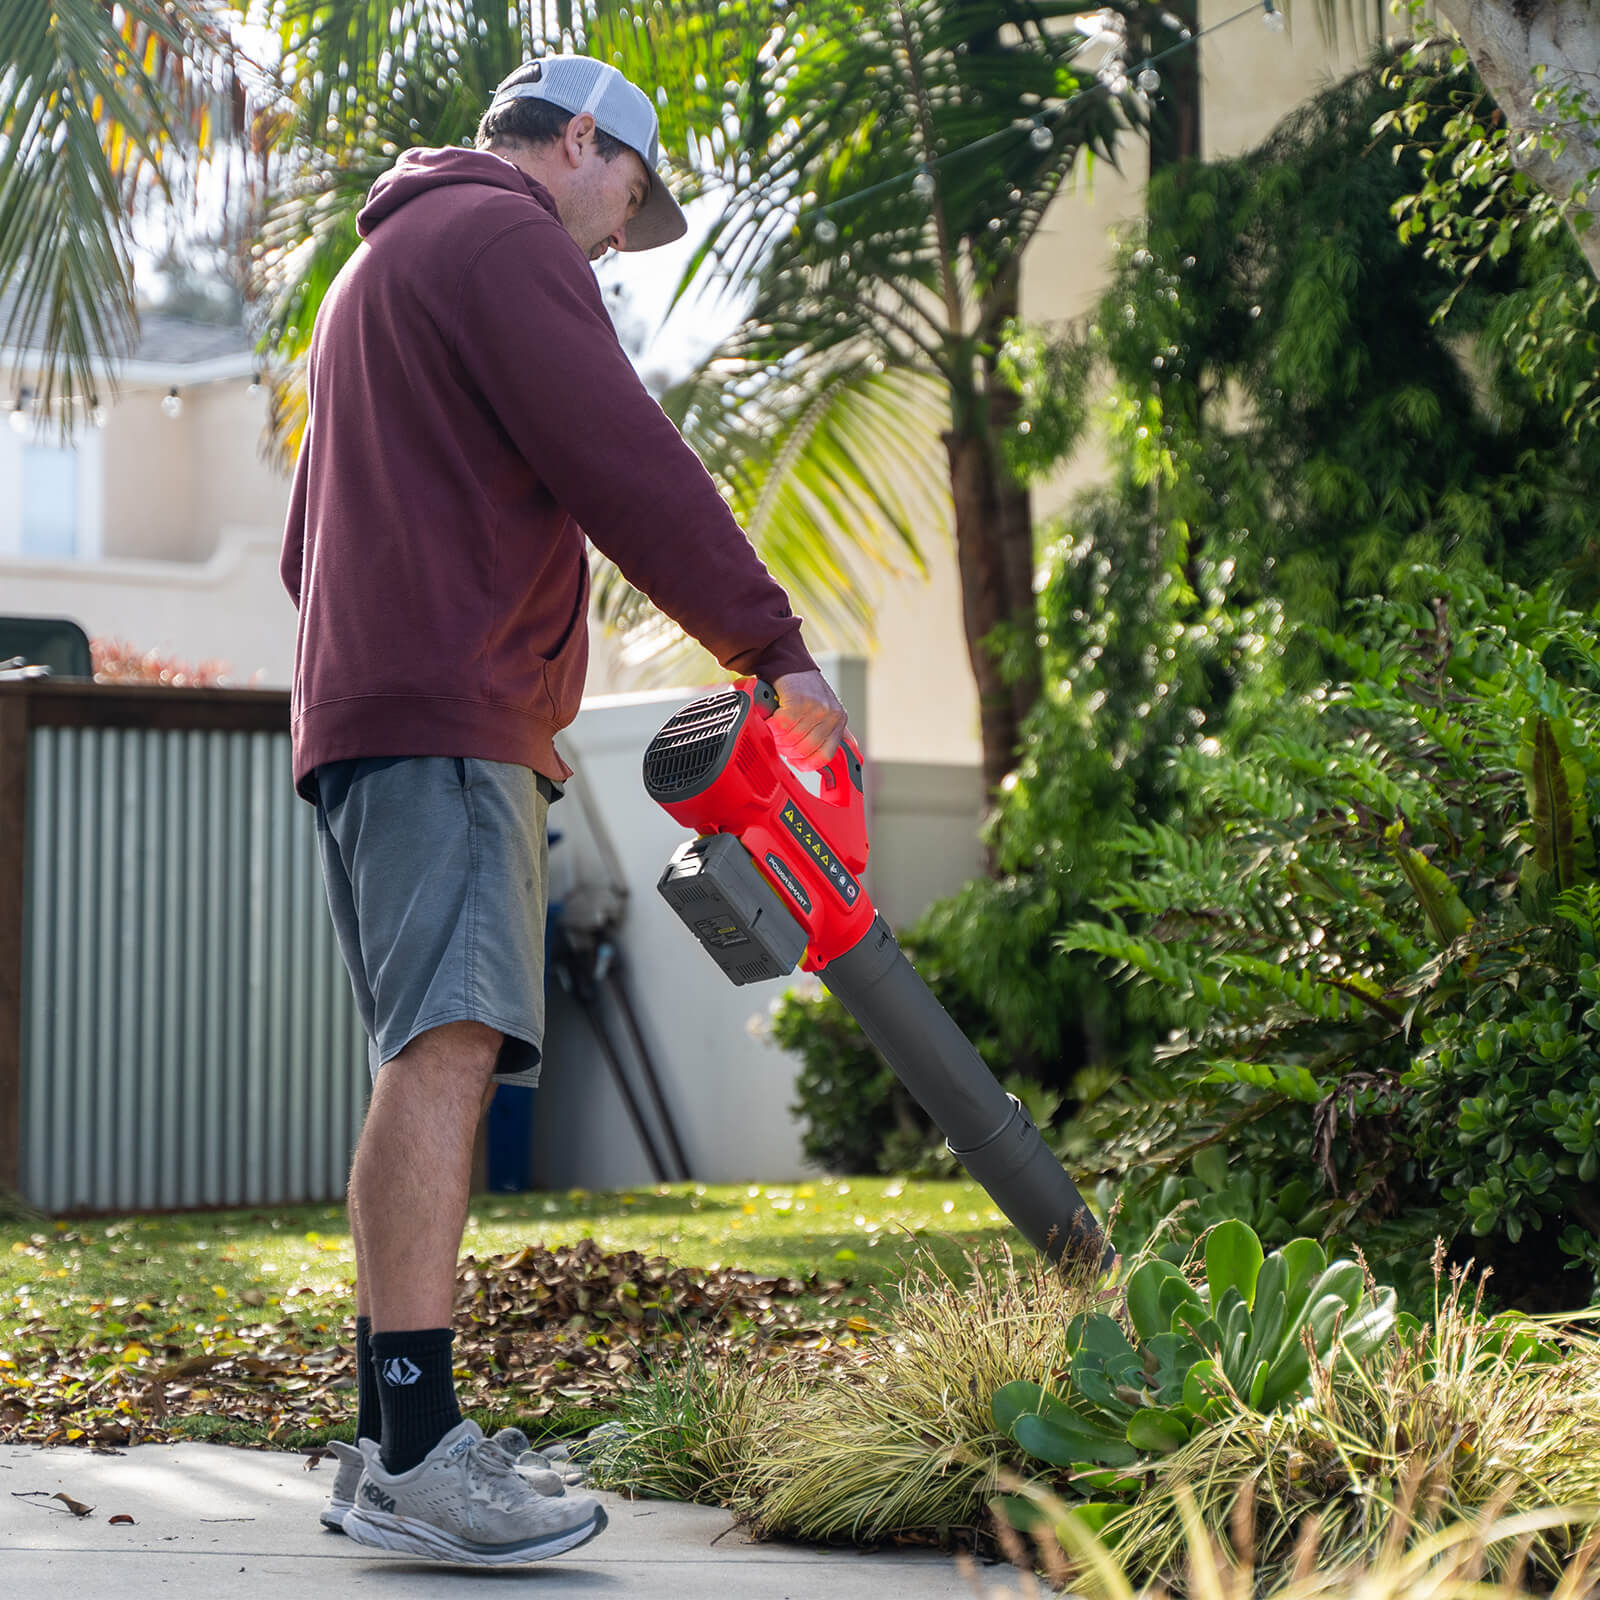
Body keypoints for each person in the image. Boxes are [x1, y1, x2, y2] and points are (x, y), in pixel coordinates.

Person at [279, 54, 848, 1567]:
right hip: (449, 714)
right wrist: (772, 651)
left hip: (370, 712)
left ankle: (386, 1436)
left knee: (426, 1052)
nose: (618, 241)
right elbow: (625, 462)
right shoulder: (505, 241)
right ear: (581, 141)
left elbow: (304, 544)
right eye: (627, 202)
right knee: (450, 1053)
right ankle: (417, 1453)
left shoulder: (380, 266)